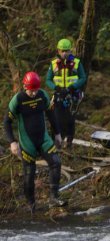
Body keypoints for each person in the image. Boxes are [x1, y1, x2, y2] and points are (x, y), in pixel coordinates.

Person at [3, 72, 66, 212]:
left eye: (36, 89)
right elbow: (7, 122)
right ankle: (31, 205)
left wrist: (57, 134)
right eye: (31, 90)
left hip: (43, 139)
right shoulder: (18, 99)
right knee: (29, 173)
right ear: (25, 87)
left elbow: (51, 114)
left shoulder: (43, 95)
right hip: (27, 142)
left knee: (56, 162)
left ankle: (53, 198)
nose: (33, 93)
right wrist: (12, 142)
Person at [46, 38, 87, 148]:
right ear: (58, 51)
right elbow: (48, 80)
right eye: (62, 51)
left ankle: (68, 143)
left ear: (70, 51)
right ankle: (55, 142)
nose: (64, 53)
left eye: (67, 51)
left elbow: (83, 78)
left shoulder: (77, 62)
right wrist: (56, 87)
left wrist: (72, 87)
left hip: (72, 95)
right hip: (59, 94)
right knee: (56, 118)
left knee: (70, 119)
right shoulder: (54, 64)